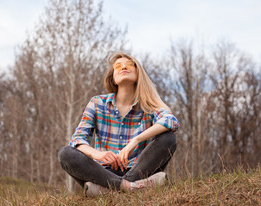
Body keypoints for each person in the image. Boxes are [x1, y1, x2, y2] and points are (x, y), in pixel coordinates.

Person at [58, 52, 179, 196]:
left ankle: (108, 191)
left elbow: (171, 121)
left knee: (168, 138)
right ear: (113, 78)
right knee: (65, 153)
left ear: (138, 73)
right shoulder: (97, 103)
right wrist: (98, 155)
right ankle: (131, 187)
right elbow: (77, 139)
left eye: (129, 64)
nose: (123, 67)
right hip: (102, 173)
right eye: (118, 66)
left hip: (138, 170)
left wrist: (135, 140)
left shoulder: (148, 106)